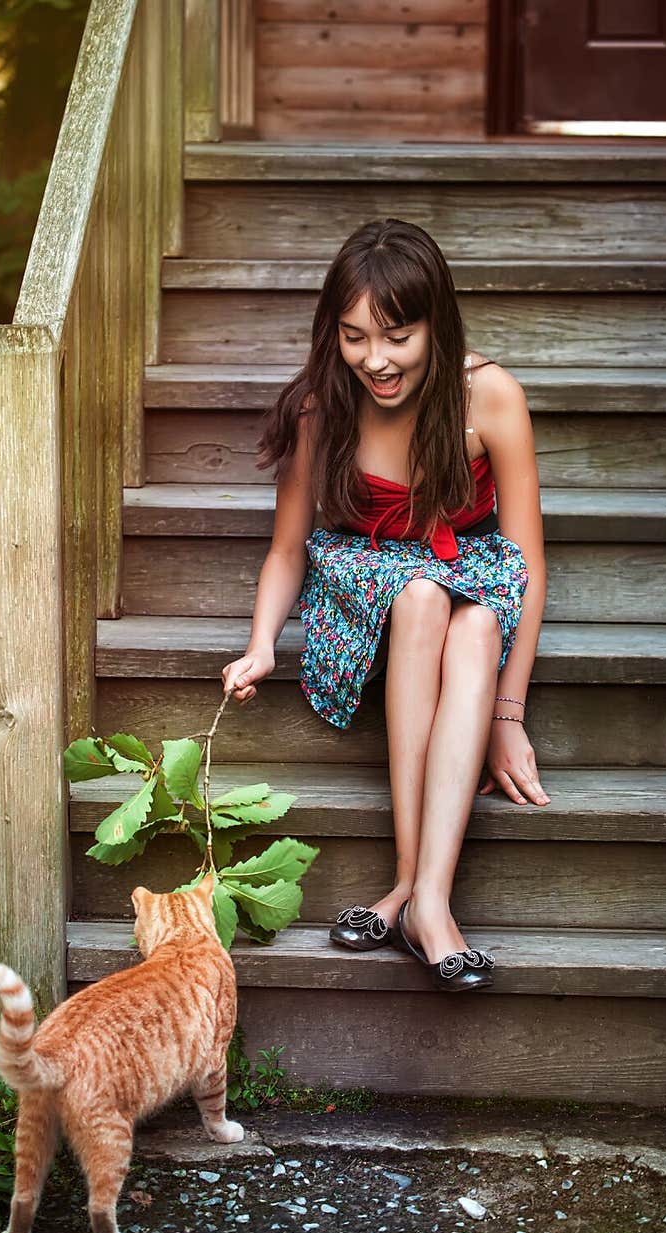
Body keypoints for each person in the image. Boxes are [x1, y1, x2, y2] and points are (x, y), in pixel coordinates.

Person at [221, 219, 550, 993]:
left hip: (469, 572)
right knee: (422, 595)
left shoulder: (489, 396)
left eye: (398, 336)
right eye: (354, 337)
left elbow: (528, 562)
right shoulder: (322, 407)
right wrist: (263, 642)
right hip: (367, 576)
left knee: (467, 623)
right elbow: (287, 548)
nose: (376, 360)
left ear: (437, 322)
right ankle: (420, 894)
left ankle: (415, 897)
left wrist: (508, 717)